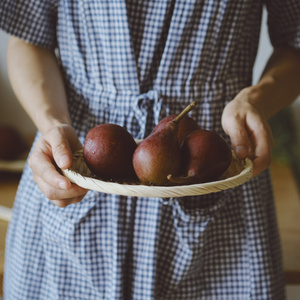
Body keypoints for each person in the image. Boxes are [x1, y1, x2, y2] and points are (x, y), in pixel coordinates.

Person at [1, 0, 300, 299]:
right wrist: (52, 122)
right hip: (79, 163)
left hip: (218, 178)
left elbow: (295, 41)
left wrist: (257, 99)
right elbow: (28, 38)